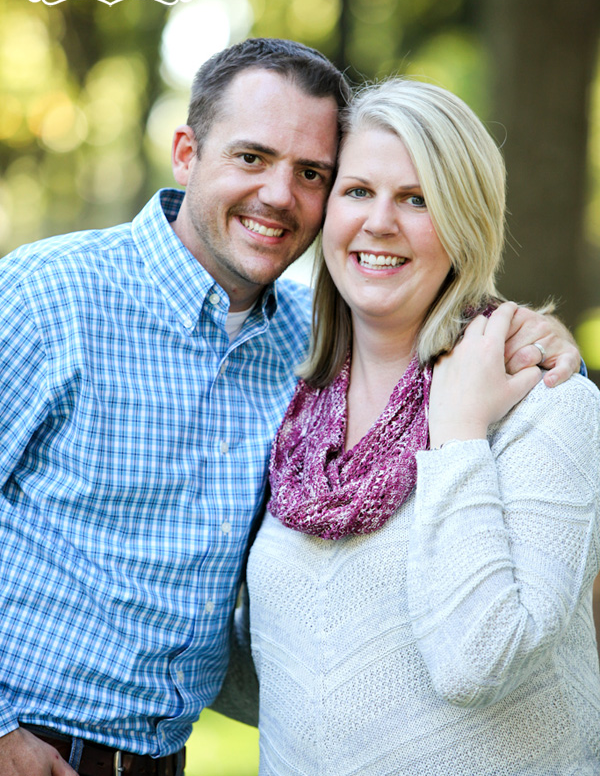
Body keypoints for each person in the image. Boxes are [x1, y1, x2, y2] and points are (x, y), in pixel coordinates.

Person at [0, 38, 580, 776]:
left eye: (311, 173)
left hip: (159, 759)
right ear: (185, 152)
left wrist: (532, 333)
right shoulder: (48, 296)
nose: (279, 194)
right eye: (251, 158)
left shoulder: (314, 353)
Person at [233, 78, 600, 774]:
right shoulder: (293, 408)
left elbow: (481, 659)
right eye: (358, 191)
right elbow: (286, 674)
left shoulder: (548, 405)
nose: (379, 223)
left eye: (417, 199)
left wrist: (458, 432)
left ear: (466, 223)